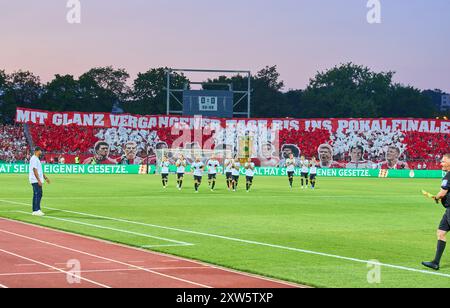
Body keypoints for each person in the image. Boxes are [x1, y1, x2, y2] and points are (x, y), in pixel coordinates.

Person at [422, 154, 450, 271]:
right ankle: (435, 262)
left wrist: (436, 197)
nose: (441, 163)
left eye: (443, 161)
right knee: (441, 232)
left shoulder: (448, 177)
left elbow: (442, 193)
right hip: (448, 209)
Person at [29, 147, 50, 216]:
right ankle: (37, 210)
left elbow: (40, 170)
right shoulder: (34, 159)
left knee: (37, 194)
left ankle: (35, 210)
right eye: (40, 151)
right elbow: (35, 170)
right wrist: (38, 180)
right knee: (38, 194)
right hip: (35, 180)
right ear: (37, 151)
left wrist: (45, 177)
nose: (41, 152)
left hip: (36, 179)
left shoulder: (36, 159)